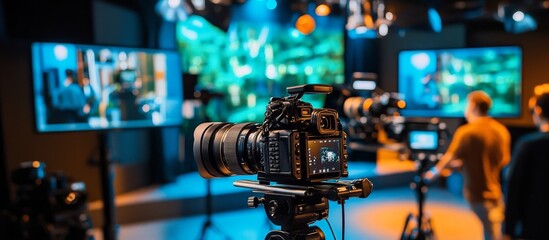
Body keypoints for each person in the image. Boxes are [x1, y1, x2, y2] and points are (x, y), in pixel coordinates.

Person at [425, 91, 511, 240]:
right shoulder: (501, 131)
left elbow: (449, 158)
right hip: (496, 192)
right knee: (493, 230)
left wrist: (431, 173)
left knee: (492, 233)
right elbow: (504, 160)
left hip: (477, 194)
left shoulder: (466, 132)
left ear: (473, 106)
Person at [504, 87, 549, 240]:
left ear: (538, 110)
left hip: (535, 225)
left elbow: (514, 187)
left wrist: (508, 230)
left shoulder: (529, 144)